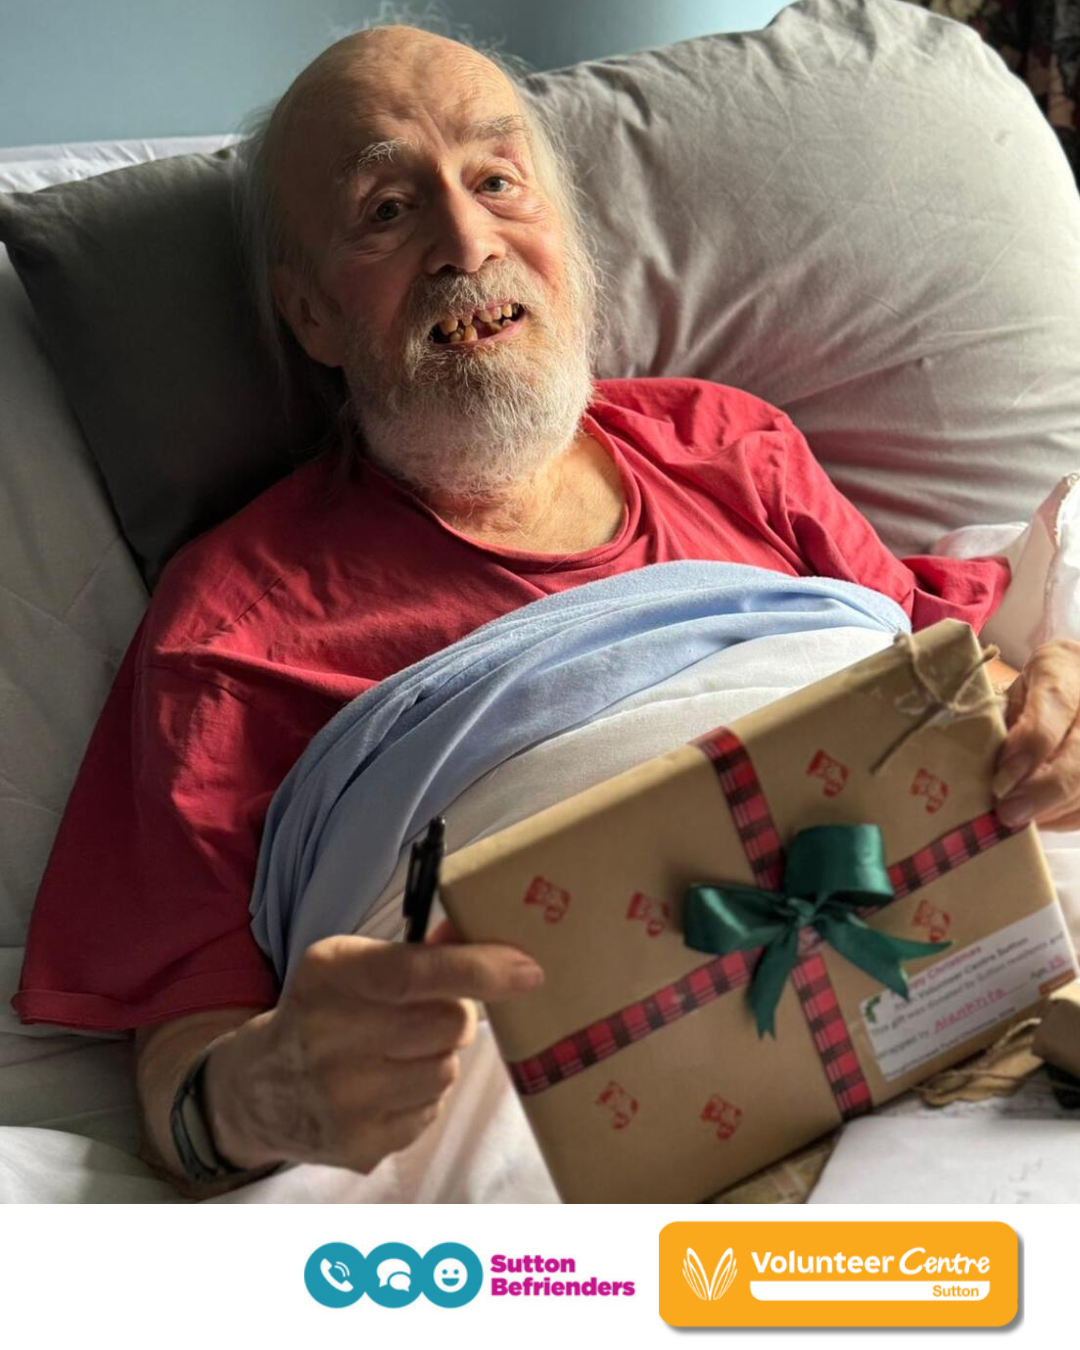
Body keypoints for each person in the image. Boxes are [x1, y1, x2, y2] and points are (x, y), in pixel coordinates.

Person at [14, 25, 1080, 1193]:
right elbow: (180, 1068)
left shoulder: (731, 445)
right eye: (385, 210)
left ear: (562, 237)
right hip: (558, 1154)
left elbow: (948, 684)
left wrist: (1059, 701)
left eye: (496, 182)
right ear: (311, 316)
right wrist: (270, 1088)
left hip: (970, 1023)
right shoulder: (226, 625)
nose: (466, 242)